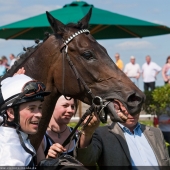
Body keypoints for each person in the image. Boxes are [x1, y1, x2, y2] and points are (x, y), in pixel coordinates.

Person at [75, 103, 170, 168]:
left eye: (135, 107)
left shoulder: (156, 132)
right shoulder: (102, 134)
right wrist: (87, 133)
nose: (132, 113)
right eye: (127, 107)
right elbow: (85, 160)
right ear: (115, 108)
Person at [0, 73, 50, 166]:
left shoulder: (17, 139)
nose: (39, 114)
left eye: (40, 107)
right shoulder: (10, 158)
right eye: (31, 108)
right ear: (11, 113)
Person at [36, 95, 78, 163]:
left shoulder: (76, 135)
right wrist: (49, 159)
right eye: (65, 105)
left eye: (72, 106)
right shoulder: (41, 138)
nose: (70, 110)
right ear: (52, 106)